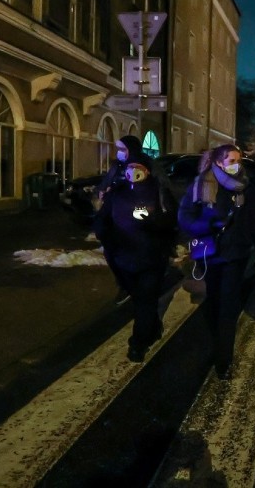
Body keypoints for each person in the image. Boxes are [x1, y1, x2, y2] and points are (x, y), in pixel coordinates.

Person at [178, 144, 255, 379]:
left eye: (238, 159)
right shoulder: (201, 185)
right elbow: (185, 217)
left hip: (236, 255)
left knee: (228, 307)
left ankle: (223, 359)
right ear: (218, 162)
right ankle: (217, 344)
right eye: (231, 160)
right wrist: (208, 226)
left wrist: (253, 243)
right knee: (213, 303)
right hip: (210, 254)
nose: (236, 164)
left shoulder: (246, 187)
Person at [94, 154, 177, 362]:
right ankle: (153, 325)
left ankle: (137, 344)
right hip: (123, 258)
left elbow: (171, 221)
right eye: (130, 167)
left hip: (152, 257)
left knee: (145, 301)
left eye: (138, 167)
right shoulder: (118, 193)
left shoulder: (158, 192)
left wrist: (152, 221)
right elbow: (102, 221)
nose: (133, 171)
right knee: (140, 299)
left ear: (147, 170)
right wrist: (108, 240)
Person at [97, 135, 143, 306]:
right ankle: (125, 284)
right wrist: (103, 191)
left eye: (123, 149)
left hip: (132, 219)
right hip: (112, 218)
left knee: (129, 254)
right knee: (111, 253)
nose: (119, 153)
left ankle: (132, 286)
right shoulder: (117, 166)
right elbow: (104, 185)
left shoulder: (142, 166)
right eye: (118, 149)